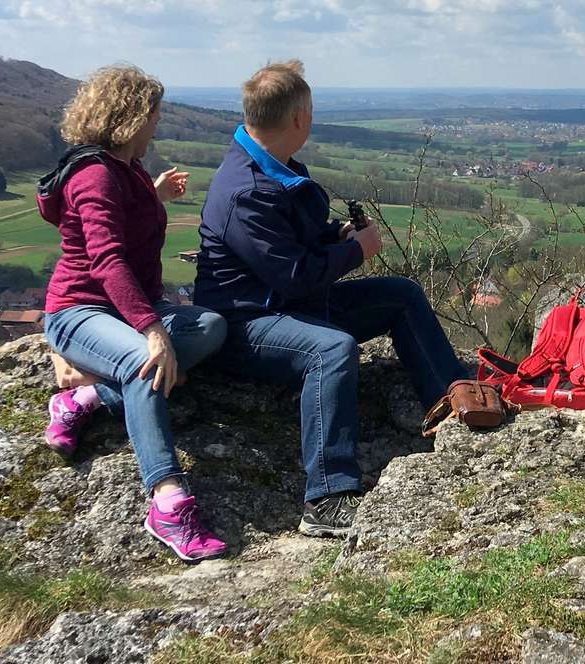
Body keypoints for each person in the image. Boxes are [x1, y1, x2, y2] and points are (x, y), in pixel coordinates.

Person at [196, 60, 467, 538]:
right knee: (331, 349)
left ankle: (454, 401)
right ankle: (326, 497)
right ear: (300, 117)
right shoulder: (247, 191)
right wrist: (355, 250)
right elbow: (295, 276)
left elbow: (287, 247)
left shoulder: (267, 168)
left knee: (401, 295)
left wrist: (334, 236)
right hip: (247, 322)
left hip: (284, 305)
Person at [40, 65, 229, 561]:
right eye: (153, 116)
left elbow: (127, 219)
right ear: (130, 117)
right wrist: (152, 331)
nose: (156, 126)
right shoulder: (95, 175)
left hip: (122, 311)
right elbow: (107, 260)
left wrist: (155, 193)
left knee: (211, 326)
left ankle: (87, 397)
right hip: (80, 309)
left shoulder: (125, 170)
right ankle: (168, 499)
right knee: (146, 365)